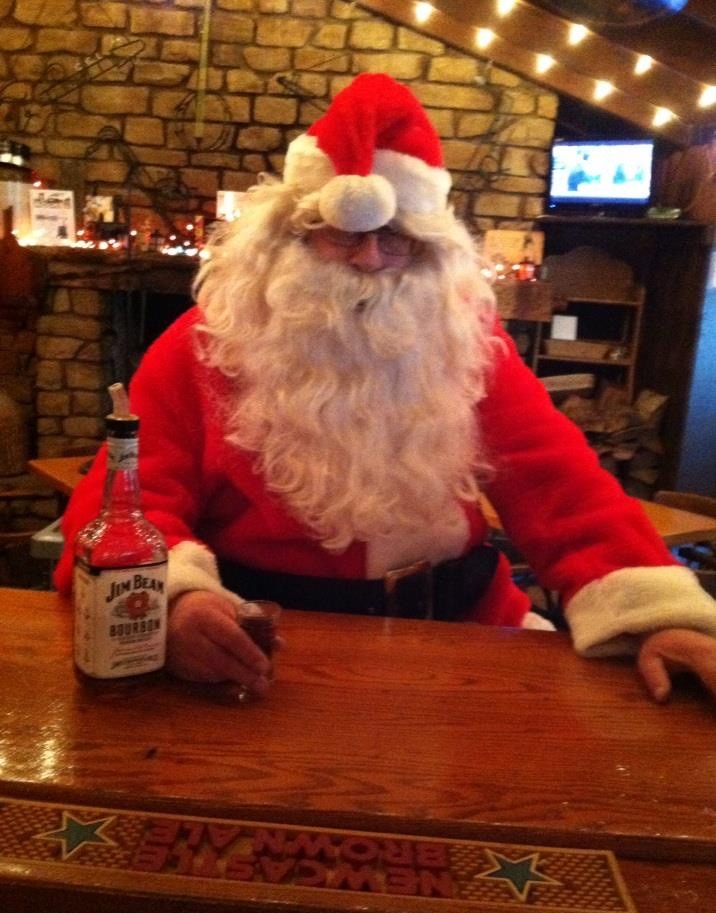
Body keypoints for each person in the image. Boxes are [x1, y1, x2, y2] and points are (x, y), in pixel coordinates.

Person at [54, 74, 716, 704]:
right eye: (346, 231)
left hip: (462, 639)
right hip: (265, 649)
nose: (369, 259)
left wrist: (660, 617)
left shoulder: (465, 344)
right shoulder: (205, 343)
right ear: (294, 231)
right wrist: (174, 604)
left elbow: (564, 490)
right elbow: (125, 498)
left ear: (430, 249)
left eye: (395, 238)